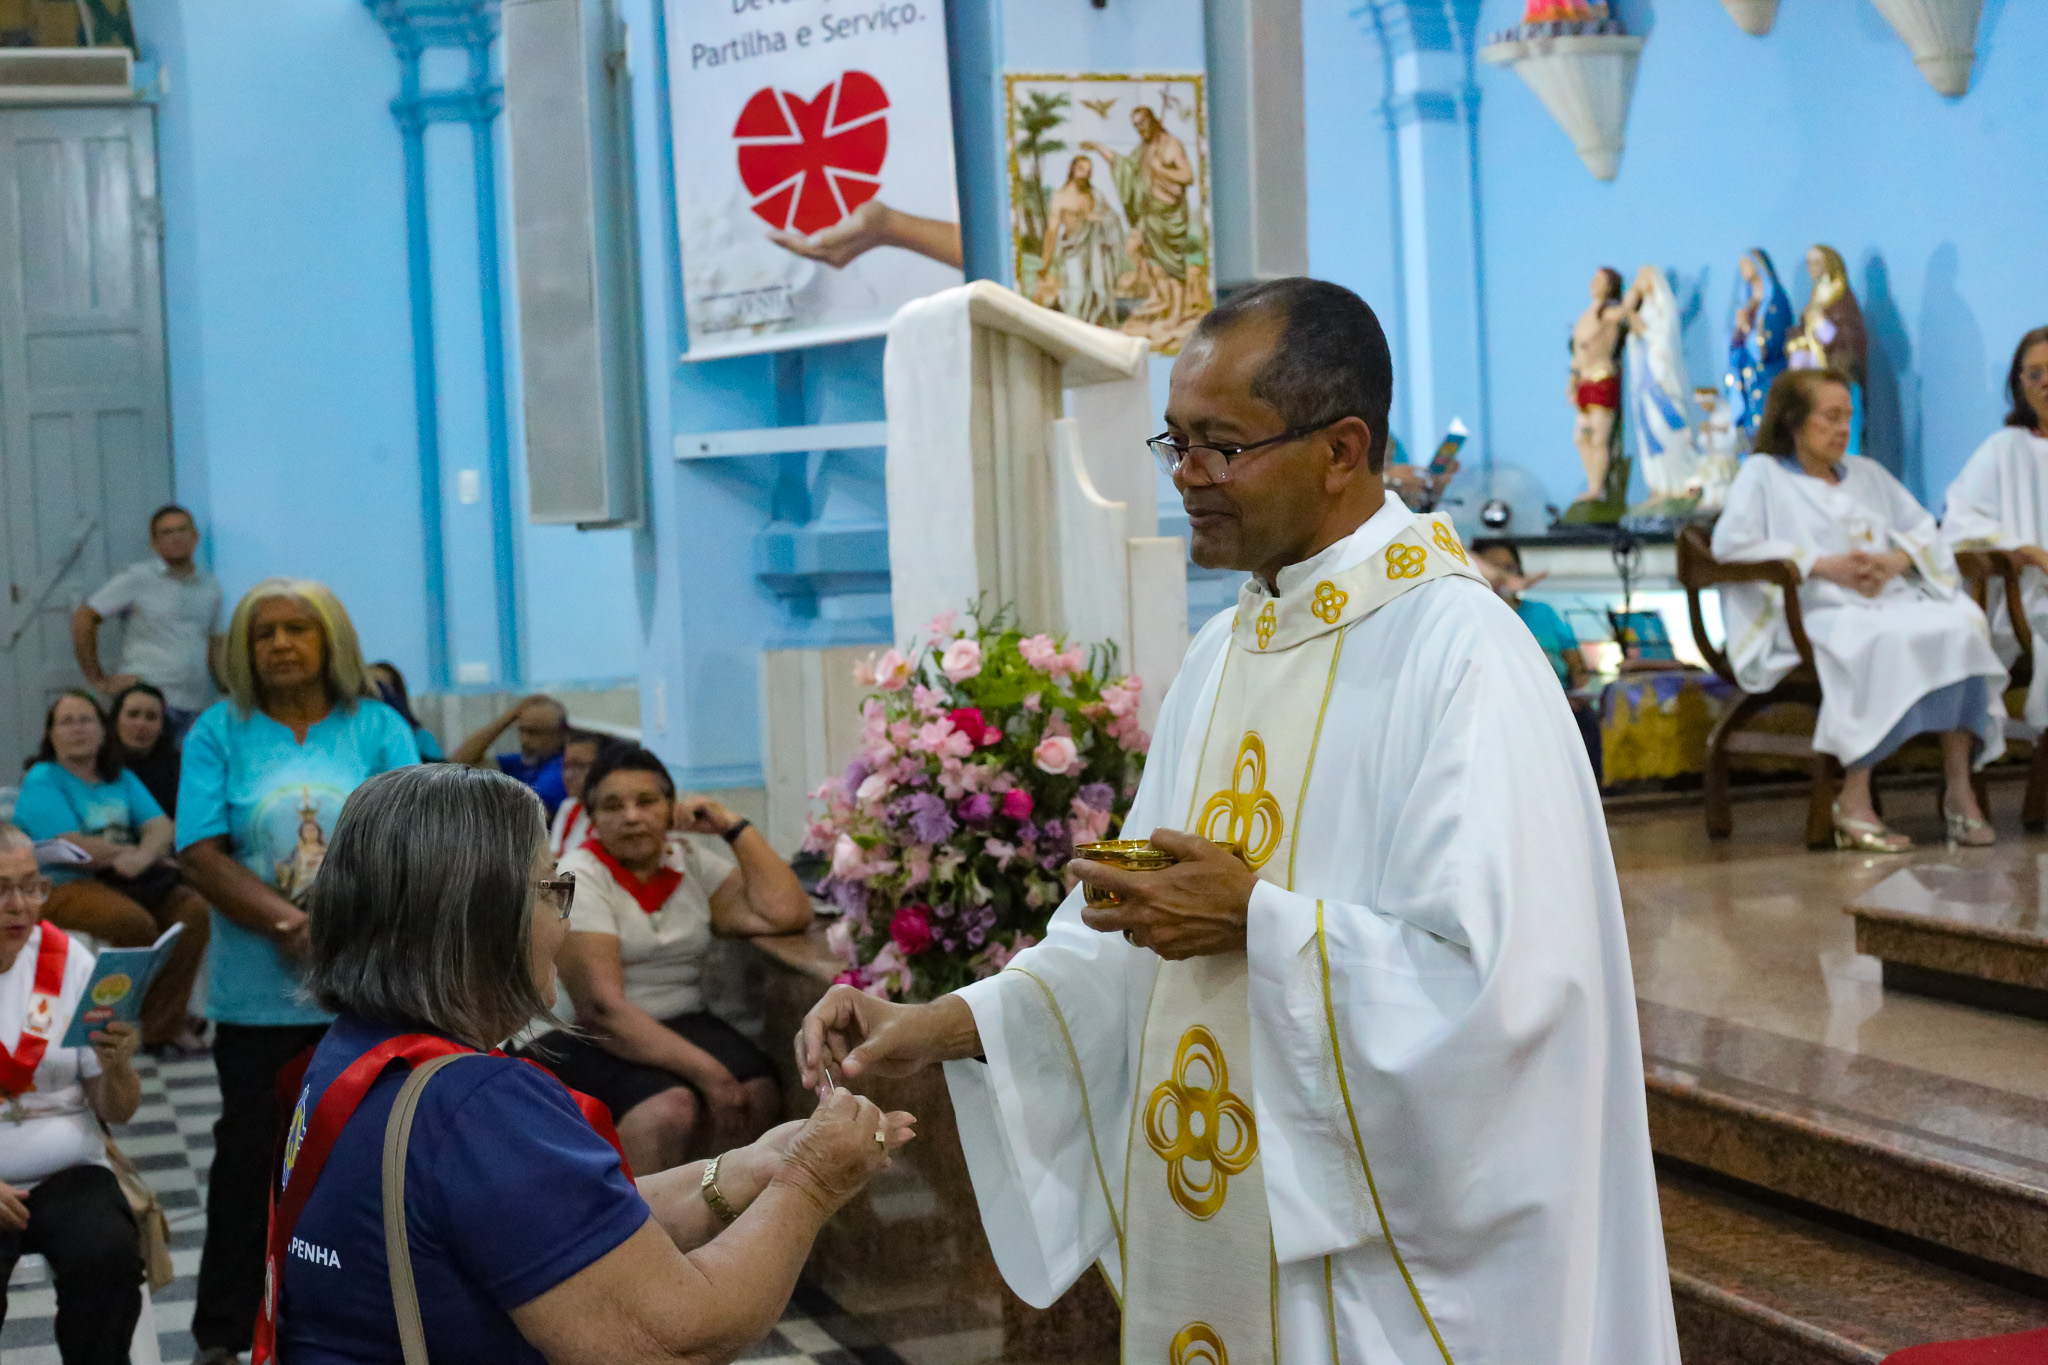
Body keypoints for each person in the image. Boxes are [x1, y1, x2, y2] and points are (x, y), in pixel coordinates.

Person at [799, 278, 1680, 1362]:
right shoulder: (1229, 650)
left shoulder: (1462, 657)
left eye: (1221, 446)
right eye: (1174, 443)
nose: (1186, 480)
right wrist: (937, 1026)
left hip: (1367, 1279)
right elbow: (1122, 931)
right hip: (1225, 1208)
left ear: (1340, 448)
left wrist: (1258, 924)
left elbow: (1513, 996)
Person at [273, 764, 911, 1365]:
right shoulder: (477, 1106)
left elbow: (563, 1229)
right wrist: (811, 1182)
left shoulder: (358, 1051)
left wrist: (750, 1169)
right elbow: (673, 1340)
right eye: (551, 889)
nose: (563, 919)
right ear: (484, 916)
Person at [173, 577, 419, 1365]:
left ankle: (365, 1324)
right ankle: (222, 1333)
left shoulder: (377, 725)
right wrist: (287, 920)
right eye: (263, 632)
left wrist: (342, 929)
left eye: (296, 629)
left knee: (365, 1159)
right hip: (259, 998)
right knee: (250, 1158)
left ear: (330, 641)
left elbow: (412, 835)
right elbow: (201, 851)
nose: (279, 644)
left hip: (367, 987)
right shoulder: (220, 730)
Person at [1713, 369, 2007, 851]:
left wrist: (1895, 561)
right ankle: (1854, 797)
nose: (1842, 428)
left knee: (1964, 624)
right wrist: (1822, 565)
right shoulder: (1763, 475)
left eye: (1848, 416)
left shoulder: (1867, 474)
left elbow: (1926, 531)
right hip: (1812, 613)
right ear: (1794, 422)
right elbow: (1730, 545)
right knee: (1874, 640)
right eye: (1830, 417)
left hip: (1886, 599)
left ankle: (1958, 788)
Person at [527, 746, 813, 1175]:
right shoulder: (576, 876)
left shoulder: (689, 861)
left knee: (759, 1092)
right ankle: (648, 1233)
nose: (631, 816)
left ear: (670, 809)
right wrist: (712, 1076)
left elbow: (785, 913)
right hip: (579, 1033)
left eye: (646, 802)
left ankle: (730, 1231)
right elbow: (601, 1010)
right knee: (666, 1111)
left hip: (679, 1018)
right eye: (612, 806)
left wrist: (733, 828)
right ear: (593, 818)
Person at [0, 823, 145, 1365]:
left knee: (106, 1254)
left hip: (69, 1169)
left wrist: (117, 1067)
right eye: (1, 889)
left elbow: (118, 1111)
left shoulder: (71, 962)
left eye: (32, 886)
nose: (20, 906)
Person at [12, 692, 209, 1052]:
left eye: (86, 720)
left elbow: (161, 826)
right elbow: (73, 846)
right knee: (134, 924)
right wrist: (135, 852)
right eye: (66, 722)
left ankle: (159, 1028)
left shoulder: (120, 777)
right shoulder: (43, 778)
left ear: (103, 730)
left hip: (128, 880)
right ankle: (113, 1028)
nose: (77, 729)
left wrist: (143, 854)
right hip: (63, 886)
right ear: (50, 734)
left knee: (192, 911)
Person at [1940, 327, 2048, 733]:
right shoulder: (2005, 449)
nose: (2045, 382)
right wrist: (2027, 551)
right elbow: (1959, 522)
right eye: (2034, 374)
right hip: (2029, 599)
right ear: (2019, 385)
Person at [71, 505, 224, 736]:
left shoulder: (209, 585)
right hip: (147, 703)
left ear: (195, 536)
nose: (176, 537)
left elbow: (214, 645)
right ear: (154, 542)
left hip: (195, 705)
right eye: (166, 532)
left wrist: (226, 692)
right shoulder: (138, 578)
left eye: (182, 530)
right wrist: (98, 680)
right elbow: (85, 618)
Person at [1032, 155, 1124, 327]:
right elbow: (1052, 232)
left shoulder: (1095, 195)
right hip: (1073, 251)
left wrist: (1099, 219)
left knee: (1098, 295)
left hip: (1095, 253)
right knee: (1077, 295)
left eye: (1089, 171)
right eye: (1082, 169)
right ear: (1072, 169)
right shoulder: (1061, 197)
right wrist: (1045, 263)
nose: (1086, 174)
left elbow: (1112, 218)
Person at [1568, 266, 1632, 509]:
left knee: (1598, 437)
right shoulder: (1586, 314)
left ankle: (1598, 488)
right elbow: (1577, 353)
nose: (1594, 283)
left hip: (1602, 377)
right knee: (1580, 438)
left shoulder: (1608, 312)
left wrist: (1635, 294)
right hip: (1583, 380)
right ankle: (1592, 484)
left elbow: (1622, 313)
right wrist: (1572, 382)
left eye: (1600, 280)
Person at [452, 693, 570, 817]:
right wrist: (511, 716)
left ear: (561, 733)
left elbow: (525, 813)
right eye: (521, 730)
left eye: (535, 732)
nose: (524, 739)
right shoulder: (527, 761)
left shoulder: (562, 769)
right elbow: (460, 762)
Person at [109, 681, 181, 818]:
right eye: (133, 714)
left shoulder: (180, 769)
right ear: (115, 720)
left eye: (151, 717)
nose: (141, 724)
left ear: (162, 726)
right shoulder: (94, 765)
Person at [366, 659, 444, 759]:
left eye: (383, 687)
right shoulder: (359, 733)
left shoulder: (419, 736)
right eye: (373, 686)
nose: (379, 692)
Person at [548, 729, 606, 859]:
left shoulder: (610, 818)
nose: (569, 775)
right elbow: (553, 859)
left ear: (603, 767)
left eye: (579, 766)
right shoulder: (568, 807)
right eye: (566, 766)